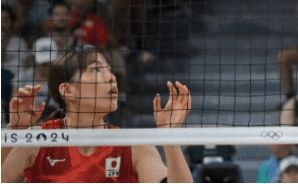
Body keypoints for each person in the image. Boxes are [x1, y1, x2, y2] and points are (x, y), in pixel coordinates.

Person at [2, 46, 193, 182]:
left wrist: (170, 138)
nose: (111, 78)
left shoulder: (134, 146)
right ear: (68, 90)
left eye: (109, 70)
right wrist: (14, 131)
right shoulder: (39, 140)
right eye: (96, 70)